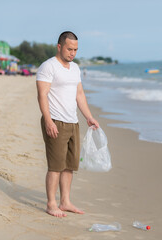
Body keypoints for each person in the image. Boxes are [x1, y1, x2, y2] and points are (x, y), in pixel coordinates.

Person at [36, 31, 99, 217]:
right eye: (69, 49)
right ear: (59, 46)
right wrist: (48, 120)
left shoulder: (75, 68)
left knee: (69, 165)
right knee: (55, 165)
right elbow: (42, 95)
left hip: (73, 122)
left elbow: (79, 94)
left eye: (76, 50)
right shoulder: (48, 67)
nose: (73, 53)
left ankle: (65, 201)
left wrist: (88, 116)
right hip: (55, 121)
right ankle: (51, 204)